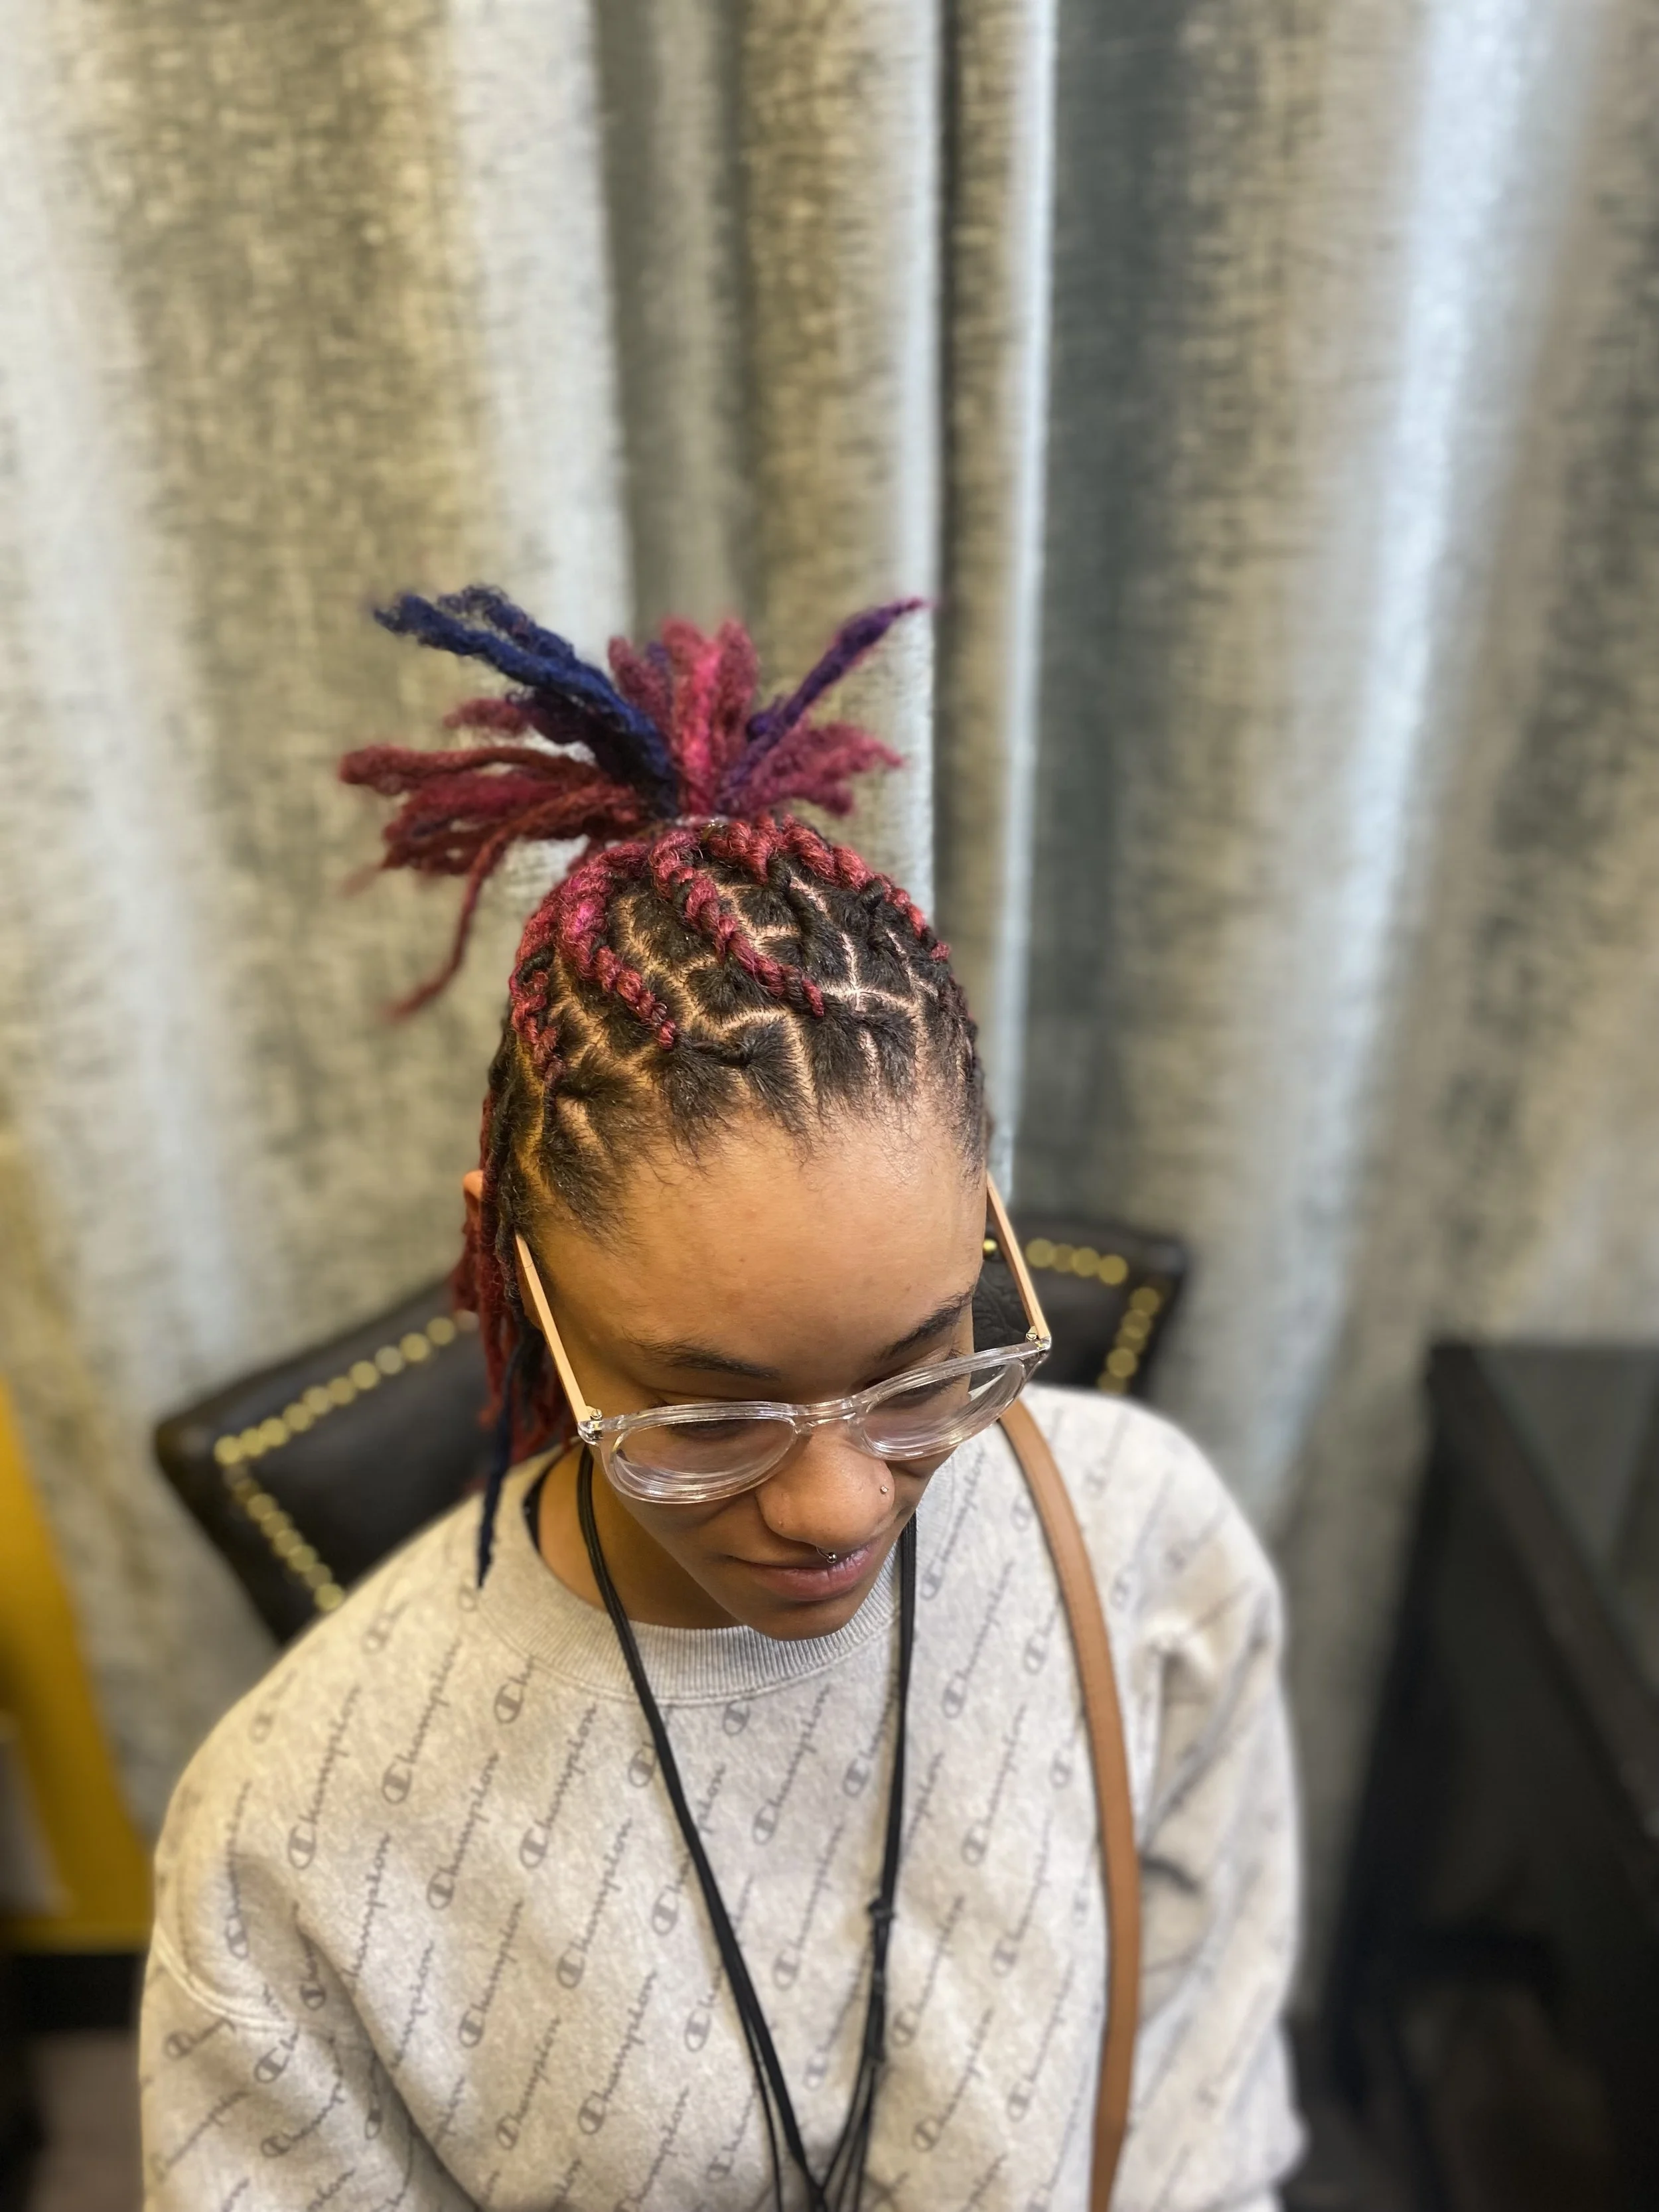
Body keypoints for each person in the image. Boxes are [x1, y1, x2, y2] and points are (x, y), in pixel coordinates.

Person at [139, 589, 1301, 2211]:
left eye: (920, 1366)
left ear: (985, 1222)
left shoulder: (1146, 1555)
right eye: (706, 1416)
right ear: (515, 1273)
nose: (835, 1508)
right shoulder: (299, 1839)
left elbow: (1199, 2100)